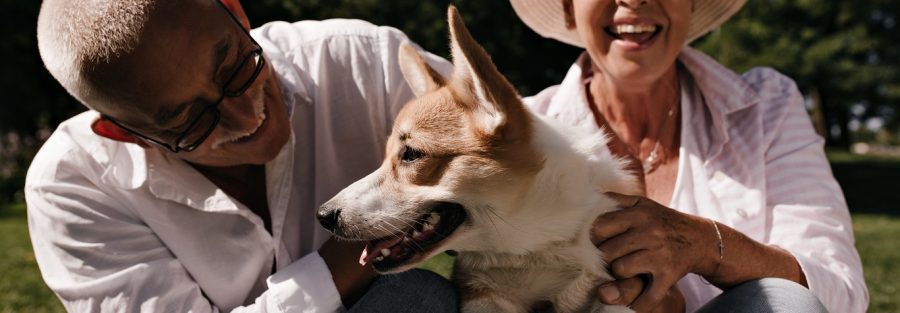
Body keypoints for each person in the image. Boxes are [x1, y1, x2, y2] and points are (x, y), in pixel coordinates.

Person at [27, 0, 457, 312]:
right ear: (125, 134)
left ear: (237, 11)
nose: (247, 117)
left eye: (235, 67)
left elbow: (509, 159)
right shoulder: (73, 185)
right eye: (190, 120)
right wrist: (366, 240)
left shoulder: (361, 61)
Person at [510, 0, 868, 312]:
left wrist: (705, 245)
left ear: (693, 2)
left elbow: (840, 291)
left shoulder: (766, 107)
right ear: (568, 7)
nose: (633, 1)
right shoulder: (521, 136)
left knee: (787, 302)